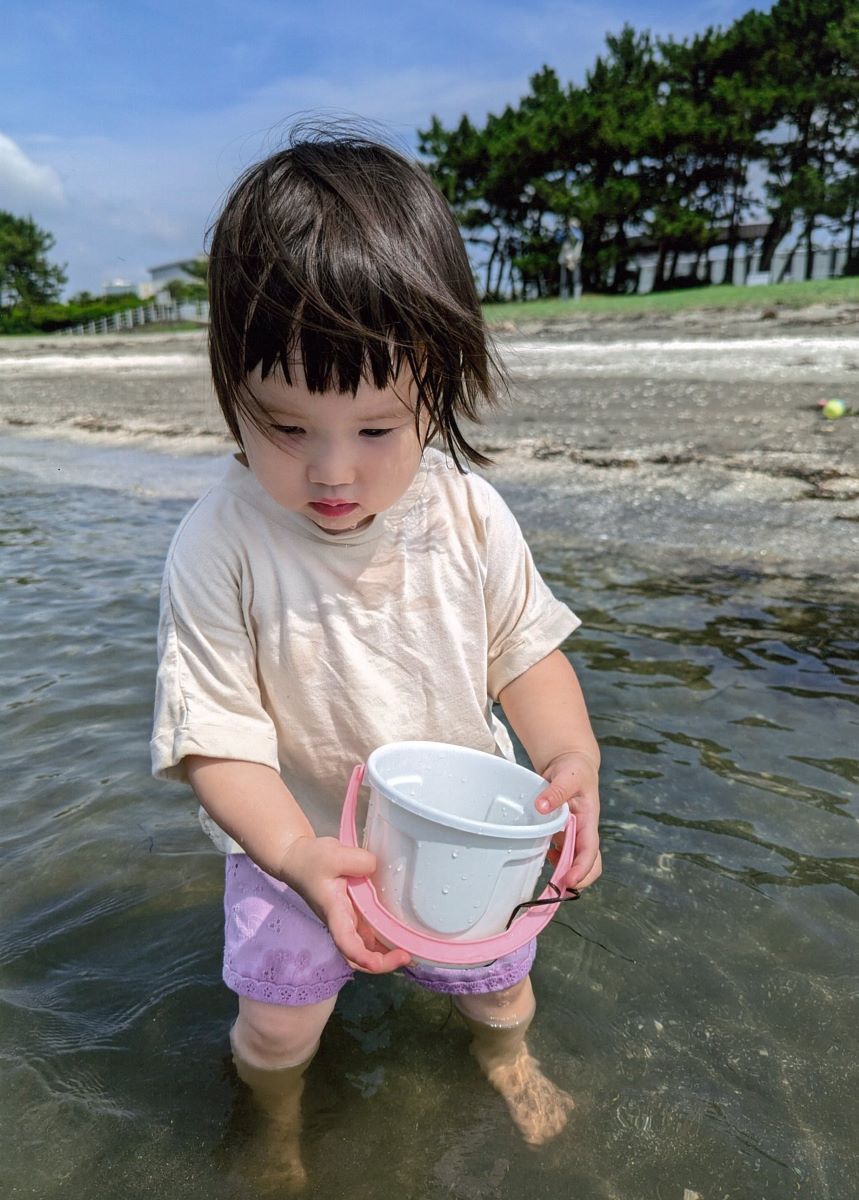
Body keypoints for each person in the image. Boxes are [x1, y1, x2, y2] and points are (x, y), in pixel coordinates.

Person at [151, 127, 601, 1188]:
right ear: (231, 391)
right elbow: (212, 741)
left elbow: (523, 656)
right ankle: (275, 1129)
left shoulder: (468, 513)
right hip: (294, 842)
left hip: (464, 840)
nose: (331, 471)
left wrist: (569, 758)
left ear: (437, 389)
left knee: (501, 987)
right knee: (273, 1030)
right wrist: (298, 861)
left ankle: (509, 1059)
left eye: (375, 429)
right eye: (285, 426)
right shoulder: (219, 544)